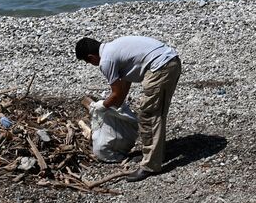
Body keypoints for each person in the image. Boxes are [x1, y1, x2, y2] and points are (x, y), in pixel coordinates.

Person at [75, 35, 182, 181]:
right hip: (169, 62)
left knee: (149, 116)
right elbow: (124, 84)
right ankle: (156, 154)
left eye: (88, 62)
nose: (90, 64)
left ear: (91, 57)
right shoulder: (113, 48)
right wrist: (116, 104)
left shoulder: (106, 61)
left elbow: (116, 92)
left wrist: (102, 106)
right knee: (157, 113)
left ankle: (150, 166)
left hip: (161, 68)